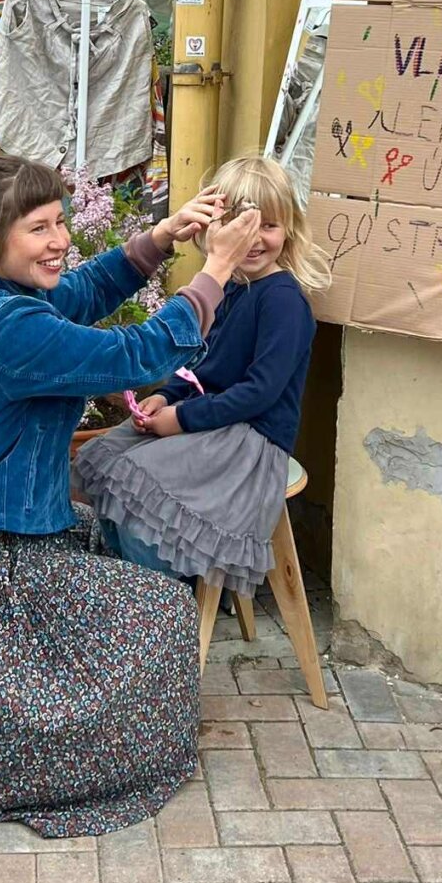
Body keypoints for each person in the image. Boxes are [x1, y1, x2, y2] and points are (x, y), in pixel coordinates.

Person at [0, 142, 262, 839]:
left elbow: (77, 295)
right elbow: (137, 354)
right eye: (40, 229)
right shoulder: (5, 327)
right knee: (164, 616)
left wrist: (156, 240)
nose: (59, 242)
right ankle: (22, 750)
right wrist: (215, 271)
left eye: (61, 222)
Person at [73, 156, 331, 597]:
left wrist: (181, 417)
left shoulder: (283, 300)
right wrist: (167, 396)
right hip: (210, 423)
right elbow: (197, 363)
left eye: (267, 226)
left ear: (288, 230)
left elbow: (259, 392)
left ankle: (160, 605)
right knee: (109, 463)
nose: (253, 239)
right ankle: (129, 596)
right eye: (240, 225)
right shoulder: (227, 286)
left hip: (249, 438)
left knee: (140, 494)